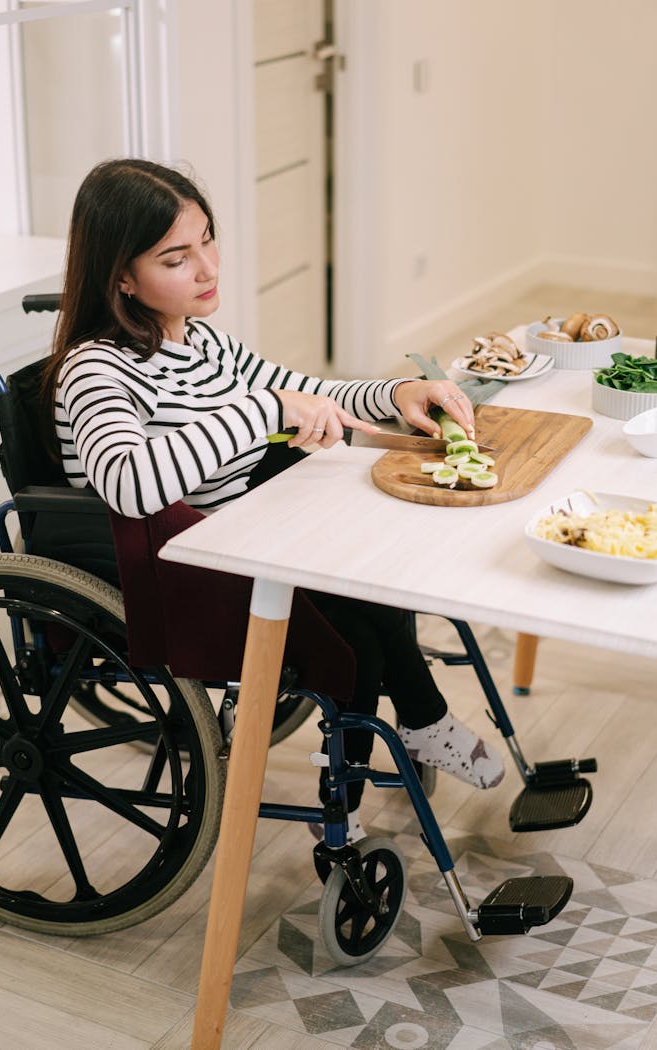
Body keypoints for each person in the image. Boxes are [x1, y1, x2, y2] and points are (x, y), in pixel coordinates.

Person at [43, 158, 504, 843]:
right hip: (183, 575)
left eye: (207, 239)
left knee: (370, 584)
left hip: (248, 541)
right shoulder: (95, 369)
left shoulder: (203, 342)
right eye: (177, 256)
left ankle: (414, 726)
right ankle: (378, 772)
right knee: (356, 634)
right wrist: (263, 410)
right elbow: (130, 485)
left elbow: (303, 390)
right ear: (121, 276)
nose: (207, 268)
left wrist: (395, 395)